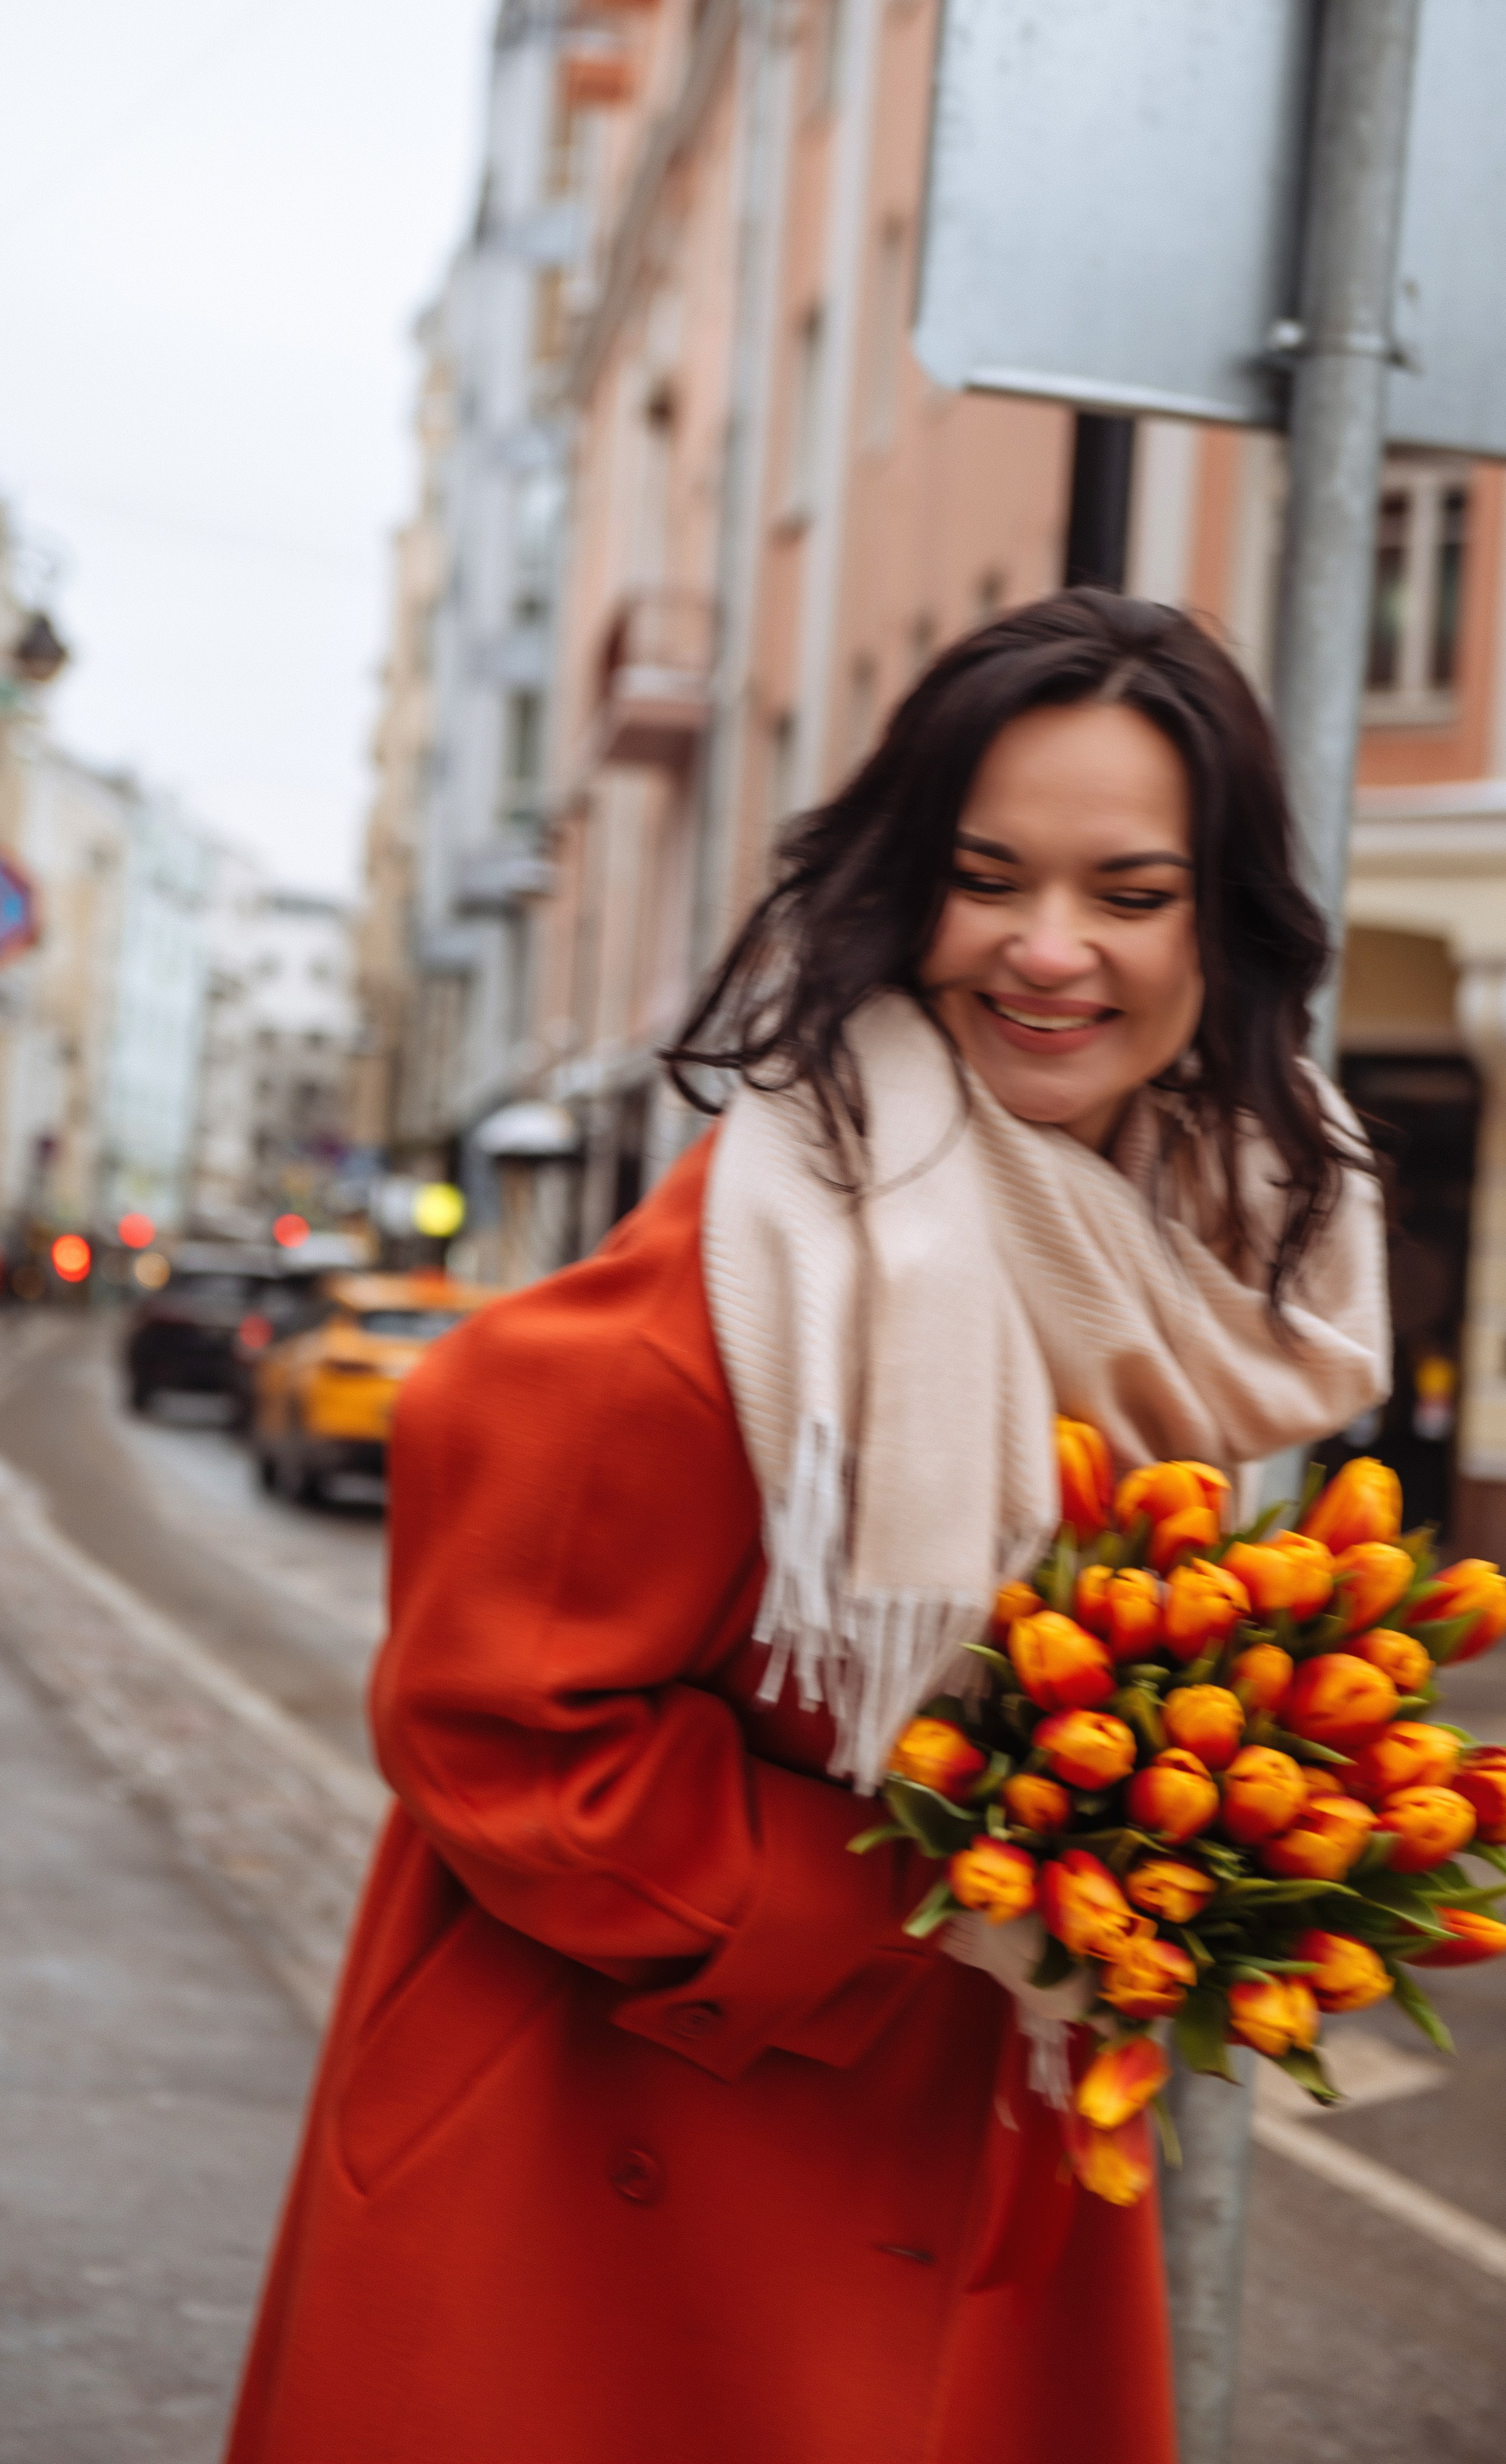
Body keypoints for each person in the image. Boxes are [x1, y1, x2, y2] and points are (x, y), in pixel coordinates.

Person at [225, 590, 1388, 2464]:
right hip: (616, 2185)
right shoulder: (766, 1266)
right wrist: (952, 1900)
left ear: (1222, 924)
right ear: (900, 885)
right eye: (986, 874)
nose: (1052, 948)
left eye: (1131, 890)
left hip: (971, 2142)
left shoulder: (1175, 1257)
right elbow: (500, 1728)